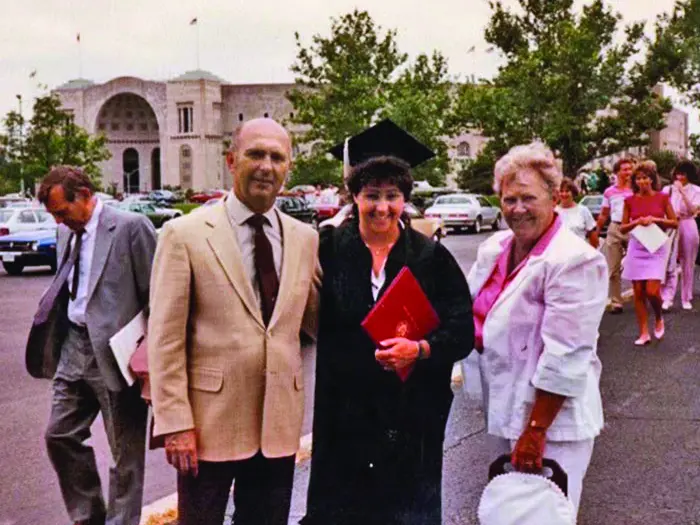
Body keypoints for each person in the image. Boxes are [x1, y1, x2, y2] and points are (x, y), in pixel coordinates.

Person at [301, 119, 474, 525]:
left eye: (393, 196)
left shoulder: (430, 257)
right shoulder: (328, 249)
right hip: (346, 416)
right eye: (371, 195)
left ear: (405, 200)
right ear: (353, 197)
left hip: (411, 415)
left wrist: (420, 349)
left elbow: (462, 329)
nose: (382, 206)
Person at [148, 118, 320, 525]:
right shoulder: (183, 234)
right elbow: (165, 338)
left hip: (277, 425)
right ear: (231, 160)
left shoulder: (305, 238)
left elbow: (314, 321)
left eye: (277, 157)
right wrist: (175, 424)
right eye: (255, 154)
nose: (266, 166)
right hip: (207, 429)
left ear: (288, 168)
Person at [468, 142, 608, 515]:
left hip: (551, 424)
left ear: (554, 196)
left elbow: (567, 352)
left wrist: (535, 431)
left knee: (543, 516)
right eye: (508, 199)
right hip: (504, 409)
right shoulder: (496, 248)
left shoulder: (574, 260)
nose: (517, 209)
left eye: (528, 198)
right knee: (508, 514)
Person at [26, 165, 157, 525]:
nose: (58, 221)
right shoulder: (70, 233)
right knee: (59, 435)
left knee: (124, 455)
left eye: (61, 212)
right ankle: (89, 518)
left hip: (119, 354)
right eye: (53, 215)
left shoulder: (131, 228)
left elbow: (158, 296)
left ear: (83, 196)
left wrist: (150, 356)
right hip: (75, 345)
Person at [620, 161, 678, 345]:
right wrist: (637, 222)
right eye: (638, 179)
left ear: (652, 179)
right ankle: (644, 332)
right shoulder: (629, 201)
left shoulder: (662, 198)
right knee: (638, 291)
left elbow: (674, 222)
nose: (642, 182)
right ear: (634, 182)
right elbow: (622, 227)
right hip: (637, 246)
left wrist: (656, 219)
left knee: (652, 291)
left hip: (656, 245)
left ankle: (659, 316)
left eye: (645, 178)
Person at [595, 159, 635, 313]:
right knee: (613, 267)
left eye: (630, 169)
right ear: (617, 172)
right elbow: (604, 213)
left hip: (633, 227)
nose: (628, 172)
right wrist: (597, 231)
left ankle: (641, 295)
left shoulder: (635, 189)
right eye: (624, 169)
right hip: (615, 227)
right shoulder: (609, 192)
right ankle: (616, 301)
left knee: (637, 264)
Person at [661, 160, 700, 310]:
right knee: (667, 260)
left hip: (687, 223)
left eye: (683, 174)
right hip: (671, 225)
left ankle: (686, 296)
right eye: (677, 173)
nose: (679, 177)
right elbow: (661, 207)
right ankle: (667, 297)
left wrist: (683, 192)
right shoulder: (667, 189)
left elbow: (693, 210)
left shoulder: (696, 190)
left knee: (688, 262)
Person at [555, 178, 598, 247]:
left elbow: (593, 236)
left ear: (573, 193)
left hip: (580, 253)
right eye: (561, 191)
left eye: (567, 191)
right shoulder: (554, 212)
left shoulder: (583, 210)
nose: (564, 194)